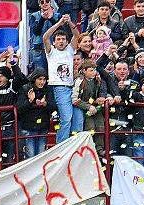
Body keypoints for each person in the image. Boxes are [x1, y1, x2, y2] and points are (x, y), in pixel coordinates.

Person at [43, 15, 81, 143]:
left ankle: (74, 146)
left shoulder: (70, 49)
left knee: (77, 119)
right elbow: (45, 37)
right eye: (58, 39)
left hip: (72, 86)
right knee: (66, 118)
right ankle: (62, 146)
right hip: (59, 87)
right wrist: (59, 23)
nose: (61, 41)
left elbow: (77, 35)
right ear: (55, 42)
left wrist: (69, 22)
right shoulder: (51, 51)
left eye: (63, 39)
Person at [17, 70, 55, 160]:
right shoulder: (25, 89)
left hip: (43, 127)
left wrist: (45, 104)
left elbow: (54, 106)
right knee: (31, 155)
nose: (42, 82)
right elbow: (19, 109)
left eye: (44, 79)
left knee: (41, 155)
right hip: (28, 127)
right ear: (34, 79)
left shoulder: (48, 89)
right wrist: (30, 101)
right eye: (40, 79)